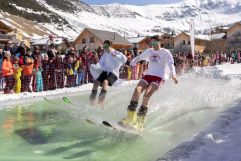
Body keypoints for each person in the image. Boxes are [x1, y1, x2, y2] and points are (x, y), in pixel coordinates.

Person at [119, 36, 178, 131]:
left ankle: (140, 122)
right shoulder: (149, 51)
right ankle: (129, 118)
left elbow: (171, 64)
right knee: (137, 91)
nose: (152, 45)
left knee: (146, 96)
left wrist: (174, 75)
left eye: (154, 42)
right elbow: (139, 57)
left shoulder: (165, 52)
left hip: (159, 77)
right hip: (148, 75)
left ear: (159, 42)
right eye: (151, 43)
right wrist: (131, 64)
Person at [89, 40, 127, 107]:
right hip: (106, 72)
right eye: (104, 46)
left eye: (106, 46)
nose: (104, 48)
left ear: (109, 46)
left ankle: (101, 102)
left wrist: (115, 56)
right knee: (96, 83)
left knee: (105, 82)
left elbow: (124, 60)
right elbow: (100, 64)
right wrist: (96, 56)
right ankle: (92, 101)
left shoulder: (116, 52)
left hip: (113, 73)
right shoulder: (105, 54)